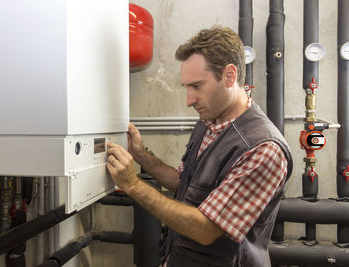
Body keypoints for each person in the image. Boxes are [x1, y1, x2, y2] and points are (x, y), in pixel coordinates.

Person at [106, 26, 292, 267]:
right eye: (186, 87)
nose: (189, 100)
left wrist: (132, 184)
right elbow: (184, 183)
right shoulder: (209, 122)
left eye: (197, 86)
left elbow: (206, 229)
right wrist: (141, 155)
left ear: (229, 76)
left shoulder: (263, 149)